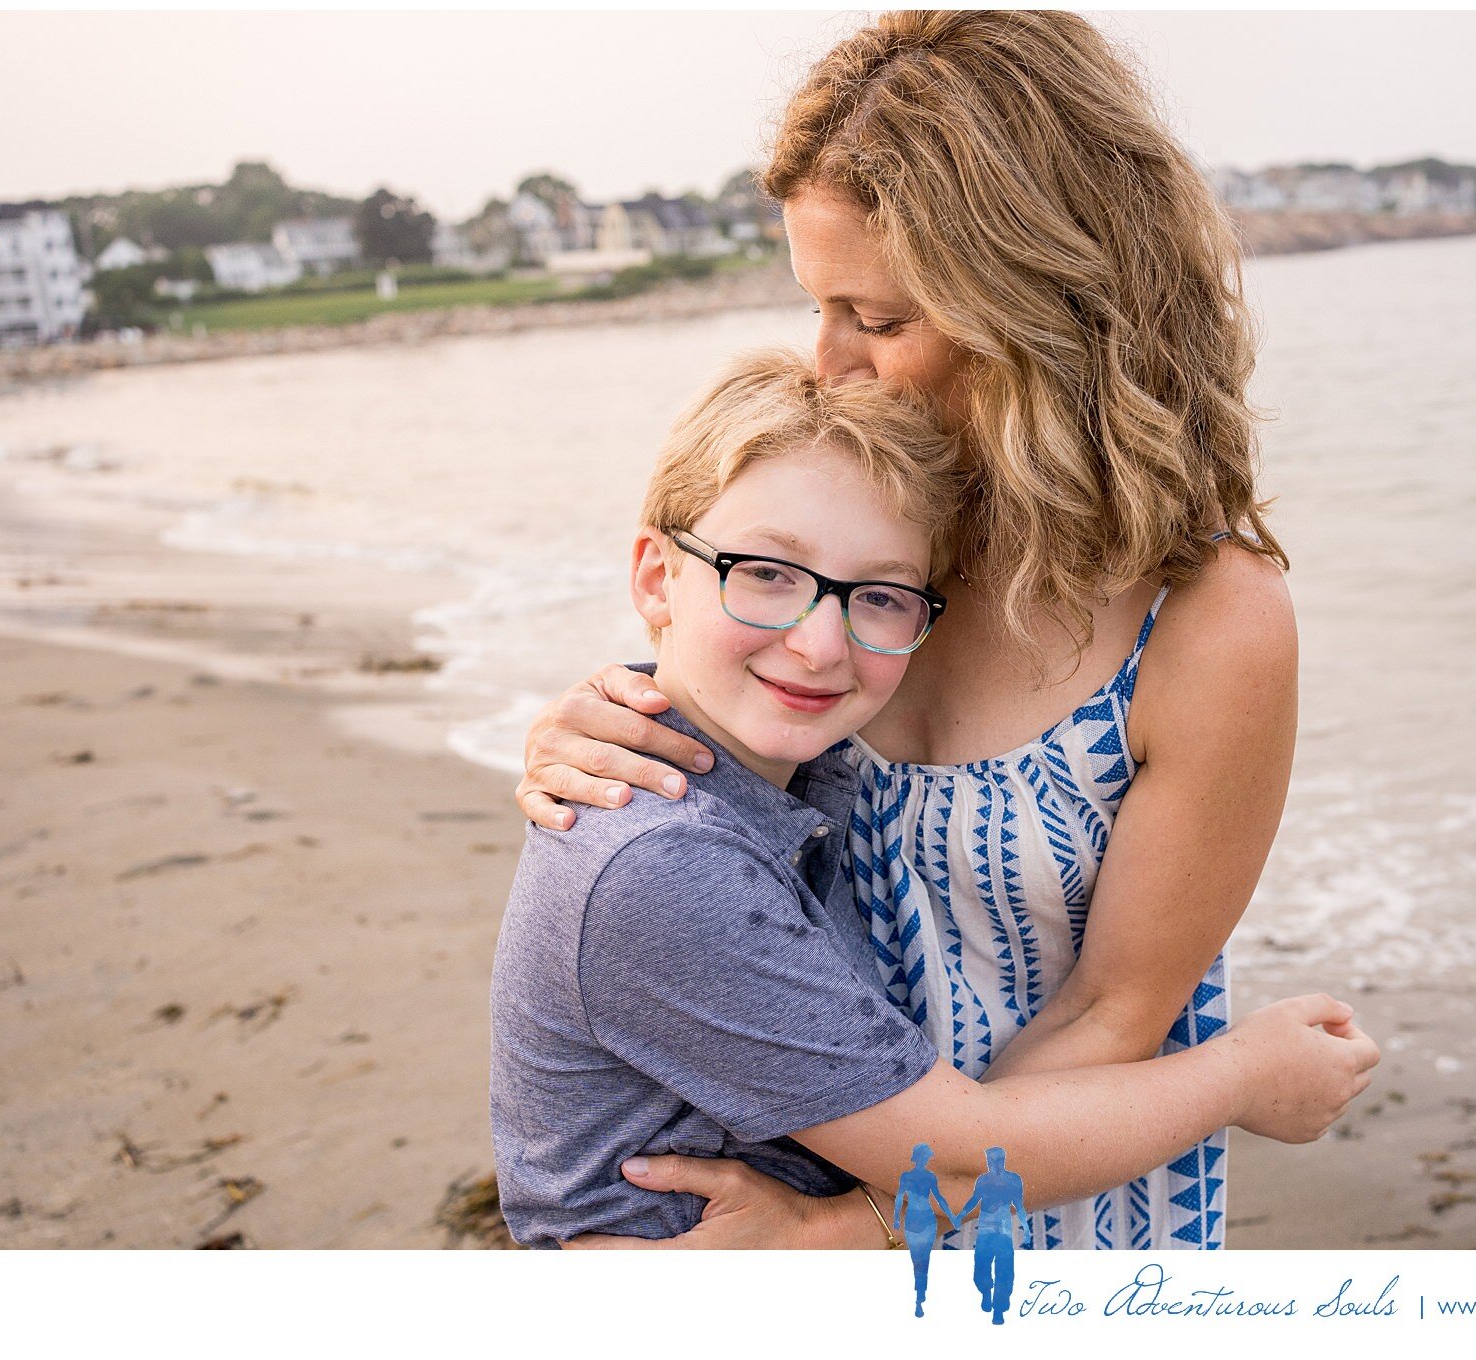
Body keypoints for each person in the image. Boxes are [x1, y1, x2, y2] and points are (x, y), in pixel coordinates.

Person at [518, 11, 1352, 1250]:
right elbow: (717, 768)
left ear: (1042, 309)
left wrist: (843, 1233)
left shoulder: (1205, 619)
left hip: (1037, 1204)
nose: (829, 364)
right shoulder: (859, 542)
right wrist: (588, 740)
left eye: (878, 318)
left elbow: (1115, 1011)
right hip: (800, 1166)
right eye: (816, 305)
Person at [494, 349, 1376, 1250]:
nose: (818, 646)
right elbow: (960, 1158)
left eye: (878, 596)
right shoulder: (667, 861)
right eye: (766, 573)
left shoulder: (806, 769)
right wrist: (1243, 1078)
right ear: (654, 575)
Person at [957, 1148, 1029, 1325]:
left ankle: (999, 1308)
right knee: (981, 1268)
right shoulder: (983, 1180)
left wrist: (1026, 1227)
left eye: (995, 1160)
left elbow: (1019, 1205)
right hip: (985, 1231)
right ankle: (986, 1292)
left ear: (1002, 1160)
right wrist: (960, 1214)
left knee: (1004, 1272)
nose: (992, 1164)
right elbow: (975, 1199)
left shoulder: (1013, 1180)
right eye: (990, 1160)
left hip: (1003, 1233)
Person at [893, 1145, 953, 1317]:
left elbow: (939, 1198)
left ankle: (920, 1299)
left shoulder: (922, 1176)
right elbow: (939, 1198)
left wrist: (951, 1215)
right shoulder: (921, 1176)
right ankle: (919, 1298)